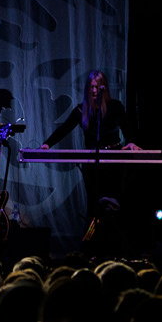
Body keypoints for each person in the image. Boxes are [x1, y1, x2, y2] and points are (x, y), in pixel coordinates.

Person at [44, 69, 138, 221]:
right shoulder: (81, 110)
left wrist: (132, 142)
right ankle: (91, 240)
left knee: (114, 204)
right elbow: (64, 128)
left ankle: (117, 237)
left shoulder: (115, 106)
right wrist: (47, 144)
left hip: (114, 162)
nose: (94, 90)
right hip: (93, 163)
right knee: (94, 205)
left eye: (97, 87)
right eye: (91, 87)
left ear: (104, 87)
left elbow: (126, 127)